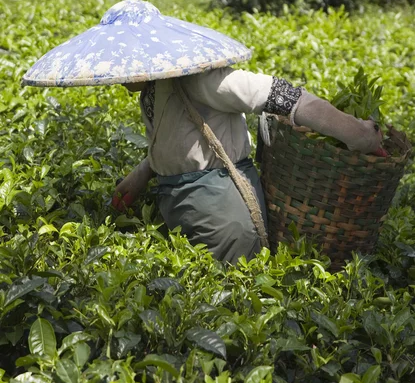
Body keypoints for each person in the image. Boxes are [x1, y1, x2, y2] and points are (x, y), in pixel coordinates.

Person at [112, 66, 383, 264]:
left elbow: (286, 97)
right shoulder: (154, 88)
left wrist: (358, 135)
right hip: (180, 209)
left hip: (223, 219)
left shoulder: (203, 79)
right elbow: (179, 142)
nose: (117, 75)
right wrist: (139, 176)